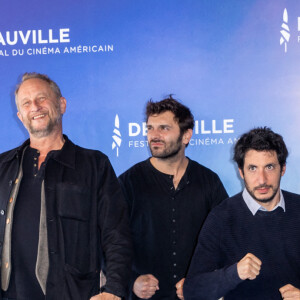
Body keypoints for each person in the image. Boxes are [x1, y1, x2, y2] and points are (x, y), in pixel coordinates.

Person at [0, 73, 132, 300]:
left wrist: (114, 290)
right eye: (27, 103)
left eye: (42, 98)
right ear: (20, 116)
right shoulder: (3, 166)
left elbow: (116, 234)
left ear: (61, 104)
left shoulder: (94, 165)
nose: (35, 107)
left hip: (74, 294)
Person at [118, 96, 228, 299]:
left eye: (164, 128)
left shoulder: (209, 182)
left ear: (186, 136)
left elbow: (226, 240)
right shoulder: (127, 183)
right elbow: (110, 243)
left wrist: (204, 282)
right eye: (150, 128)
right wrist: (131, 281)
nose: (154, 135)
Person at [184, 127, 300, 300]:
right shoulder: (221, 218)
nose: (262, 179)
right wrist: (234, 273)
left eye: (269, 167)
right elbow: (192, 290)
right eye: (253, 168)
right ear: (241, 172)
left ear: (282, 169)